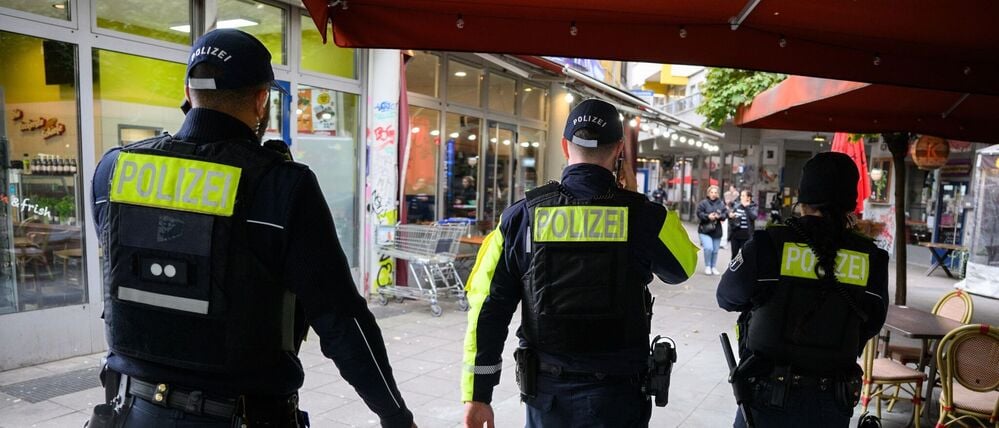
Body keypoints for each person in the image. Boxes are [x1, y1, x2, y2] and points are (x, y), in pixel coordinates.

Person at [90, 29, 415, 427]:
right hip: (242, 416)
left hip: (132, 411)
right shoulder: (282, 186)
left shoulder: (112, 171)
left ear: (188, 93)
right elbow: (340, 320)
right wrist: (394, 414)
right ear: (262, 100)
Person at [461, 99, 699, 428]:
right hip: (620, 396)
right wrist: (641, 203)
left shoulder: (521, 217)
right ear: (619, 151)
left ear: (564, 146)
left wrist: (478, 394)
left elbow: (487, 305)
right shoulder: (644, 216)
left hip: (548, 395)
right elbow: (682, 267)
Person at [716, 152, 889, 428]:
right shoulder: (871, 258)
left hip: (766, 400)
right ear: (851, 202)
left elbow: (726, 297)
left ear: (803, 198)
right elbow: (873, 321)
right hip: (831, 403)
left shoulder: (768, 245)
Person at [697, 185, 728, 275]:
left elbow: (725, 214)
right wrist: (708, 216)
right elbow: (699, 213)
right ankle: (707, 266)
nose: (713, 194)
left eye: (715, 192)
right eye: (712, 192)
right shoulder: (703, 203)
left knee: (715, 250)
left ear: (718, 194)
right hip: (705, 230)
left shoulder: (721, 204)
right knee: (708, 248)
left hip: (717, 230)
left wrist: (719, 216)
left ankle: (713, 267)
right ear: (708, 193)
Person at [727, 190, 758, 258]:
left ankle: (744, 268)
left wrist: (747, 207)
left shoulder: (753, 206)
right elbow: (730, 216)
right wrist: (730, 216)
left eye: (743, 196)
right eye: (741, 195)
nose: (741, 197)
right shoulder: (737, 206)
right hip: (735, 235)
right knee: (734, 255)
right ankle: (733, 268)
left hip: (747, 236)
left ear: (748, 198)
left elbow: (753, 217)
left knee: (745, 256)